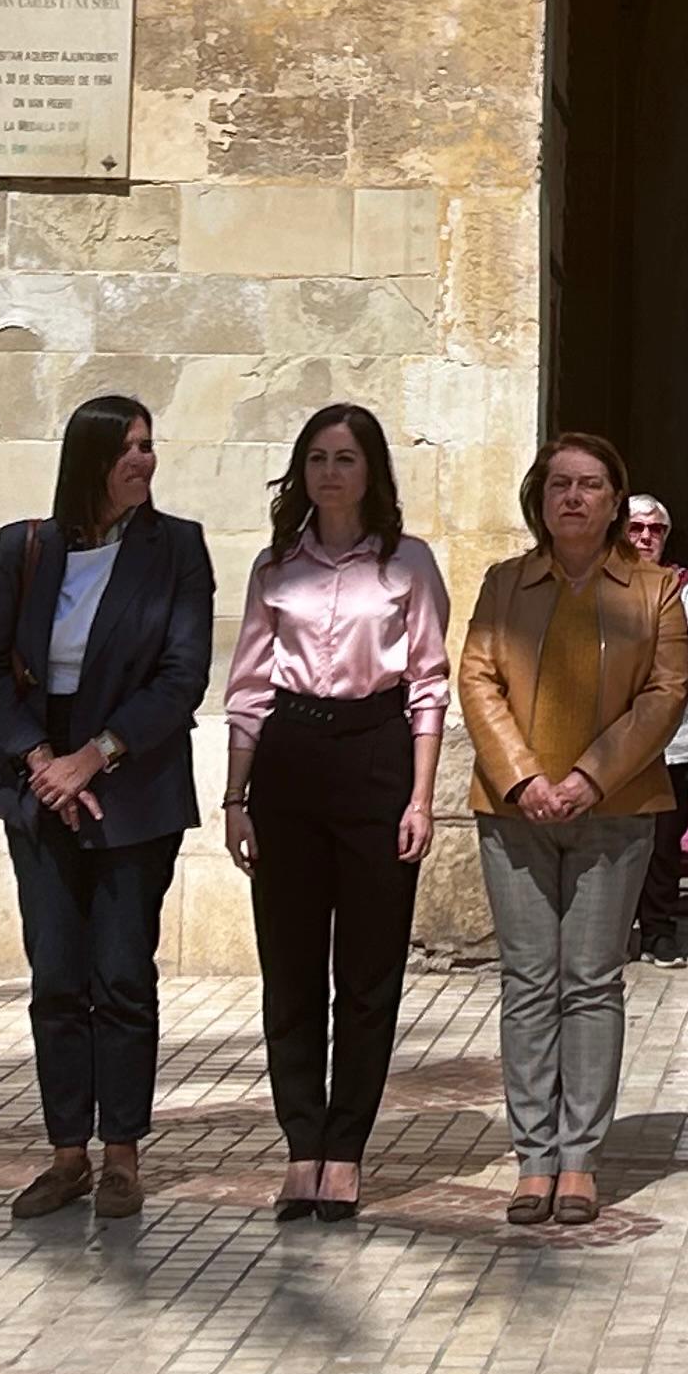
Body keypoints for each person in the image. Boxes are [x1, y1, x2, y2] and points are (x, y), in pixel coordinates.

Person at [0, 393, 215, 1226]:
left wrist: (92, 757)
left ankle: (123, 1157)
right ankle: (66, 1150)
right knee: (56, 975)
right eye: (128, 448)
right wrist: (42, 762)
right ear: (89, 457)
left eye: (149, 446)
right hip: (41, 788)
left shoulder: (178, 549)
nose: (143, 460)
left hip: (129, 782)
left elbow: (182, 676)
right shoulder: (26, 548)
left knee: (123, 974)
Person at [457, 430, 688, 1228]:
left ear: (615, 500)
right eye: (559, 484)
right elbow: (479, 677)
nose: (574, 498)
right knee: (528, 983)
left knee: (590, 981)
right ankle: (533, 1158)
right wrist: (524, 776)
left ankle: (580, 1158)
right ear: (539, 497)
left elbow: (666, 695)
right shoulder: (504, 584)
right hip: (514, 810)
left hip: (615, 810)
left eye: (591, 485)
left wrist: (590, 776)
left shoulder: (654, 591)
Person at [221, 402, 447, 1224]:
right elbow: (246, 687)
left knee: (368, 966)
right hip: (289, 756)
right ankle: (302, 1145)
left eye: (345, 458)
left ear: (371, 472)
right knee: (289, 965)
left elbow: (428, 685)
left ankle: (347, 1148)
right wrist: (235, 797)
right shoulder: (275, 566)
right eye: (317, 457)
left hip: (376, 751)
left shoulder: (409, 565)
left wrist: (420, 797)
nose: (329, 472)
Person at [620, 493, 688, 965]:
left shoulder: (687, 590)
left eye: (654, 530)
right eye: (636, 528)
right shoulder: (603, 583)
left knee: (663, 840)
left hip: (677, 738)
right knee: (615, 839)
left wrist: (635, 662)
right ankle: (615, 930)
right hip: (614, 738)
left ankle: (658, 930)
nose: (645, 538)